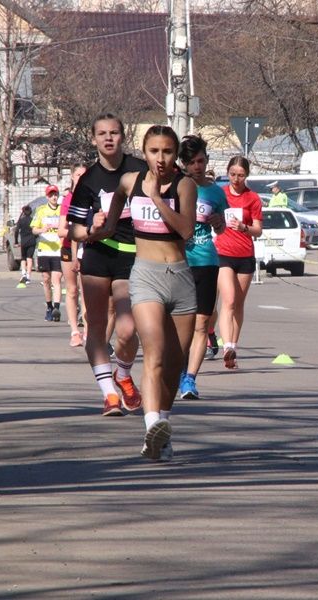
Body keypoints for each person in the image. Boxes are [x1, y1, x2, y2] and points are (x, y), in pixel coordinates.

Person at [94, 124, 196, 462]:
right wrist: (96, 232)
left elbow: (184, 231)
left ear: (175, 153)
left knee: (174, 364)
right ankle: (151, 425)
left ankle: (161, 432)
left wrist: (155, 197)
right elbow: (111, 222)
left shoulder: (185, 185)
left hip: (180, 278)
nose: (161, 158)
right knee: (154, 351)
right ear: (145, 152)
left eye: (167, 151)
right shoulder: (129, 181)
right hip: (146, 276)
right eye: (154, 151)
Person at [68, 113, 144, 416]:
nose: (108, 138)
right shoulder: (88, 180)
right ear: (94, 138)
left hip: (132, 255)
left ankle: (123, 375)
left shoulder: (139, 170)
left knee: (127, 329)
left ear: (123, 136)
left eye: (114, 132)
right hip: (98, 255)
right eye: (102, 133)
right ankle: (109, 394)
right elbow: (73, 228)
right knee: (97, 328)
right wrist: (90, 229)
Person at [177, 134, 227, 399]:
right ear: (184, 164)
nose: (198, 166)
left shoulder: (215, 192)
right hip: (180, 262)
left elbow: (221, 227)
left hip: (207, 260)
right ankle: (179, 369)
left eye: (202, 161)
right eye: (193, 162)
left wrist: (219, 222)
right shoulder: (176, 186)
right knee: (179, 325)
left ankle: (190, 379)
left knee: (201, 323)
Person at [214, 156, 263, 370]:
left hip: (245, 255)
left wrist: (244, 227)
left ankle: (233, 347)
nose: (236, 179)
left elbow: (258, 230)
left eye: (240, 175)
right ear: (227, 173)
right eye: (232, 174)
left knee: (239, 304)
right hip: (222, 253)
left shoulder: (252, 198)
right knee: (229, 301)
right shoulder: (219, 193)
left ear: (247, 175)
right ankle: (226, 347)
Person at [58, 164, 87, 347]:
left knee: (87, 292)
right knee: (72, 290)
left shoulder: (90, 197)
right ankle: (74, 331)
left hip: (87, 248)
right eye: (78, 175)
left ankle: (88, 332)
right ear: (72, 177)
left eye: (85, 175)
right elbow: (62, 230)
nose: (81, 178)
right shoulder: (68, 200)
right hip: (69, 249)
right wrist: (77, 232)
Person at [32, 185, 64, 322]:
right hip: (44, 249)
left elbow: (66, 225)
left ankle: (56, 308)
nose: (54, 197)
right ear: (47, 197)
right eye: (51, 195)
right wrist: (41, 230)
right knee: (46, 279)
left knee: (56, 279)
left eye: (55, 194)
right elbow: (34, 230)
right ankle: (49, 307)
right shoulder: (41, 211)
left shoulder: (62, 210)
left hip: (58, 249)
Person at [15, 205, 35, 284]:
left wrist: (16, 241)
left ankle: (23, 273)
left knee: (23, 258)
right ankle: (28, 276)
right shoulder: (32, 220)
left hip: (24, 242)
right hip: (32, 241)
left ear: (23, 212)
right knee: (29, 258)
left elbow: (16, 231)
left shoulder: (21, 220)